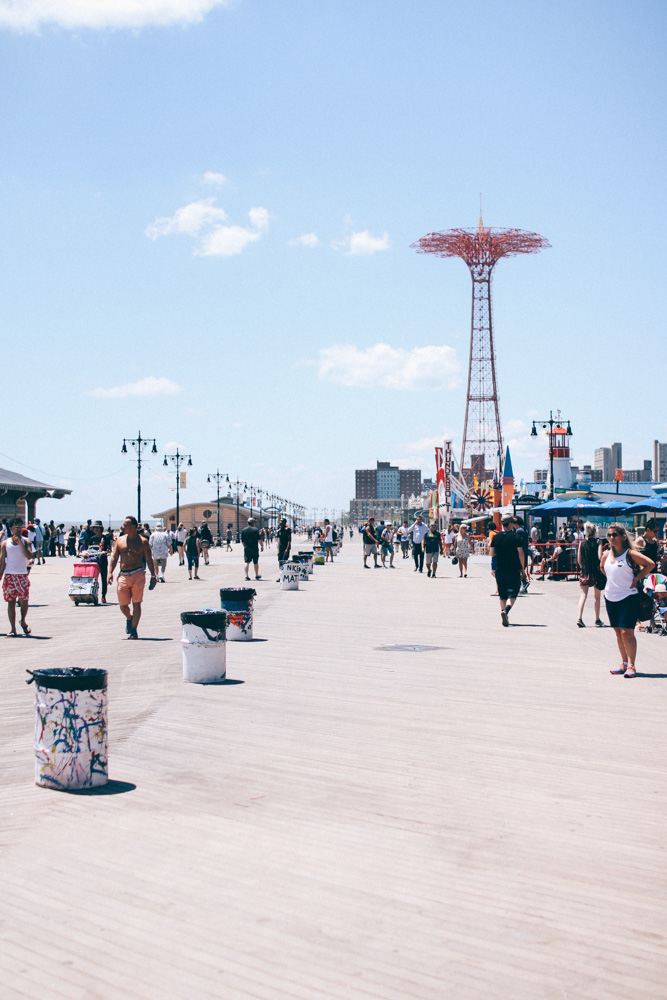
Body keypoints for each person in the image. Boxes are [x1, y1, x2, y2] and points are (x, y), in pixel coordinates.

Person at [601, 523, 654, 677]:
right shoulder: (607, 554)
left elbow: (650, 564)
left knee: (627, 632)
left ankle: (631, 665)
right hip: (610, 597)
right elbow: (602, 567)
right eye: (609, 535)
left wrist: (637, 578)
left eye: (615, 534)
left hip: (628, 596)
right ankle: (623, 663)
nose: (611, 537)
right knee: (618, 632)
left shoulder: (630, 554)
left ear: (623, 536)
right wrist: (612, 580)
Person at [107, 515, 157, 639]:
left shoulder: (143, 541)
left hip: (138, 573)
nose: (122, 526)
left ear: (133, 527)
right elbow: (114, 557)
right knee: (123, 605)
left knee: (137, 603)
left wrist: (153, 575)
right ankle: (129, 618)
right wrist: (110, 572)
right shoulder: (119, 540)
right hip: (123, 574)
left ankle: (134, 630)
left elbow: (149, 559)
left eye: (125, 525)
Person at [0, 517, 34, 636]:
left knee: (24, 600)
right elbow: (2, 561)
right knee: (11, 602)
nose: (19, 529)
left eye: (20, 526)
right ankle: (12, 628)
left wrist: (21, 544)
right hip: (9, 575)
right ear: (11, 528)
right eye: (16, 527)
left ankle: (23, 620)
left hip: (22, 575)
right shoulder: (5, 543)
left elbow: (29, 556)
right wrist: (0, 575)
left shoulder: (26, 541)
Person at [489, 515, 525, 627]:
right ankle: (507, 610)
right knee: (513, 593)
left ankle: (502, 611)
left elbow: (492, 553)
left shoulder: (496, 537)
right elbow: (521, 552)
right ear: (510, 524)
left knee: (502, 594)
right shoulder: (516, 536)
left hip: (500, 568)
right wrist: (522, 568)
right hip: (513, 568)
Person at [576, 522, 605, 627]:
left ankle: (579, 618)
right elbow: (599, 557)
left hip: (585, 571)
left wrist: (583, 567)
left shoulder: (581, 543)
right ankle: (597, 619)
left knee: (583, 595)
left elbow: (579, 560)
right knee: (597, 597)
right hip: (596, 572)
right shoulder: (599, 542)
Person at [83, 520, 111, 604]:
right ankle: (91, 594)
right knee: (92, 578)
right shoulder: (92, 538)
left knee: (103, 578)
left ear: (101, 529)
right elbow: (89, 548)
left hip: (102, 560)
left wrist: (106, 552)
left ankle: (103, 596)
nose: (96, 529)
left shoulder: (104, 538)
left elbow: (109, 549)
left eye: (98, 528)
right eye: (95, 528)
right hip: (94, 561)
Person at [513, 516, 530, 592]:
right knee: (521, 569)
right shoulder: (524, 530)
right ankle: (524, 583)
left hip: (520, 552)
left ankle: (521, 584)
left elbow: (517, 543)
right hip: (525, 551)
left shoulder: (518, 531)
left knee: (517, 570)